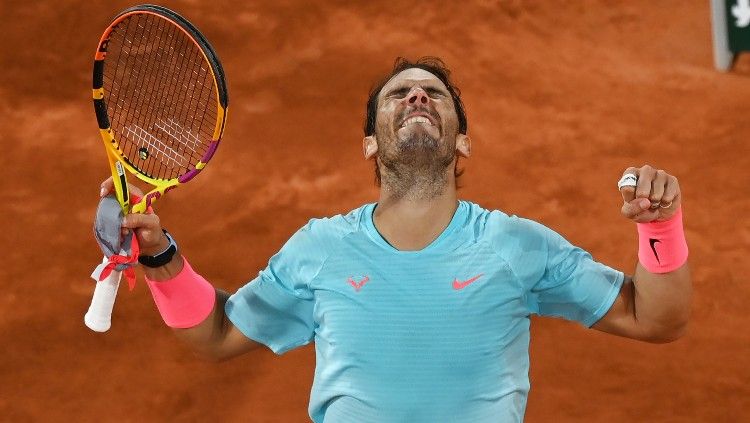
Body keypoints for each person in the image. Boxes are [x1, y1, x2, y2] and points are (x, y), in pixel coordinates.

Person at [100, 57, 691, 422]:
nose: (417, 97)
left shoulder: (516, 245)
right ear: (369, 144)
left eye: (434, 95)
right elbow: (219, 334)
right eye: (400, 94)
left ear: (463, 143)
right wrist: (159, 255)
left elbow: (654, 318)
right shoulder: (319, 249)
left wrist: (659, 227)